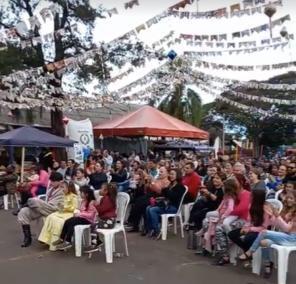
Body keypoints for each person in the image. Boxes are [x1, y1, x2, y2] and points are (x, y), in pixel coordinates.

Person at [241, 190, 296, 277]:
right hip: (285, 236)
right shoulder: (286, 210)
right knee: (263, 242)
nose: (289, 200)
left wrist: (277, 216)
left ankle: (250, 252)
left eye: (291, 198)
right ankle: (268, 264)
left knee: (264, 232)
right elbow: (278, 225)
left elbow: (287, 229)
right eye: (288, 198)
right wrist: (272, 216)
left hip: (292, 238)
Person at [17, 172, 64, 247]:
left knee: (33, 200)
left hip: (54, 209)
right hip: (44, 208)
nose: (51, 183)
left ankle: (23, 205)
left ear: (60, 181)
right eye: (51, 181)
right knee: (24, 212)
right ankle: (27, 238)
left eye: (53, 181)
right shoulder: (51, 187)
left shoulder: (64, 188)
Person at [228, 190, 272, 265]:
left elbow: (265, 227)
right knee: (231, 234)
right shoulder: (251, 206)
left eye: (252, 196)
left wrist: (250, 229)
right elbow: (249, 220)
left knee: (247, 238)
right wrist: (245, 228)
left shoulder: (266, 209)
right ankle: (248, 252)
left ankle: (248, 255)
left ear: (257, 198)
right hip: (251, 228)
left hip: (261, 232)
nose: (250, 197)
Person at [214, 176, 251, 265]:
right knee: (218, 228)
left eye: (235, 180)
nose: (233, 182)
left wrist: (226, 214)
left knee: (222, 227)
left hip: (244, 220)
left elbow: (241, 209)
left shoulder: (246, 194)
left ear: (240, 183)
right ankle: (225, 255)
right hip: (234, 218)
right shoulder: (233, 194)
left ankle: (228, 252)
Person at [145, 168, 186, 239]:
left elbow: (173, 197)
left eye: (173, 174)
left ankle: (157, 231)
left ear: (178, 175)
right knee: (148, 208)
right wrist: (164, 189)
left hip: (174, 207)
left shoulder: (180, 187)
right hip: (167, 205)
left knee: (152, 210)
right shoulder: (171, 184)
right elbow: (164, 194)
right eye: (170, 174)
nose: (171, 176)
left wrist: (165, 188)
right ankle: (151, 229)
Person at [54, 185, 97, 250]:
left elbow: (91, 215)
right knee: (67, 221)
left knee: (73, 223)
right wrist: (77, 212)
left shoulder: (92, 202)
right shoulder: (83, 201)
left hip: (88, 220)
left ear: (86, 194)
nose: (80, 194)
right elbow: (81, 210)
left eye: (81, 193)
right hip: (82, 218)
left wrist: (80, 214)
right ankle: (62, 238)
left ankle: (68, 241)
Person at [38, 181, 78, 251]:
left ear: (69, 188)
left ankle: (58, 242)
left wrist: (65, 207)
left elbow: (75, 208)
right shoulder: (64, 195)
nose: (62, 189)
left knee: (58, 221)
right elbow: (61, 206)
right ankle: (45, 239)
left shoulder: (74, 196)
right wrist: (60, 206)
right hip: (62, 212)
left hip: (69, 214)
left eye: (63, 187)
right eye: (61, 187)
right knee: (50, 217)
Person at [202, 178, 237, 254]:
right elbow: (221, 204)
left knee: (207, 216)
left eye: (224, 187)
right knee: (205, 220)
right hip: (219, 213)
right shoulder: (226, 196)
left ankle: (209, 241)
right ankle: (207, 243)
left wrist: (223, 216)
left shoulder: (231, 198)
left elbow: (230, 209)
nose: (223, 188)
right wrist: (217, 210)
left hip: (223, 215)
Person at [85, 183, 117, 252]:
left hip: (109, 222)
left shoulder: (107, 199)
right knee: (94, 224)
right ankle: (98, 241)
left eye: (101, 189)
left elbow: (101, 210)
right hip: (107, 220)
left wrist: (95, 205)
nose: (100, 190)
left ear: (106, 191)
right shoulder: (105, 198)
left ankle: (94, 244)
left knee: (94, 225)